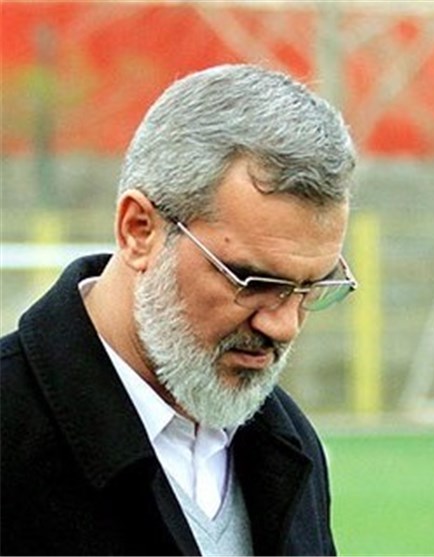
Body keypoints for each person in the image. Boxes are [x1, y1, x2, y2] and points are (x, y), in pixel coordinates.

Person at [1, 64, 358, 556]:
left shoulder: (288, 444)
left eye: (310, 288)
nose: (283, 324)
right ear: (139, 230)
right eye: (252, 281)